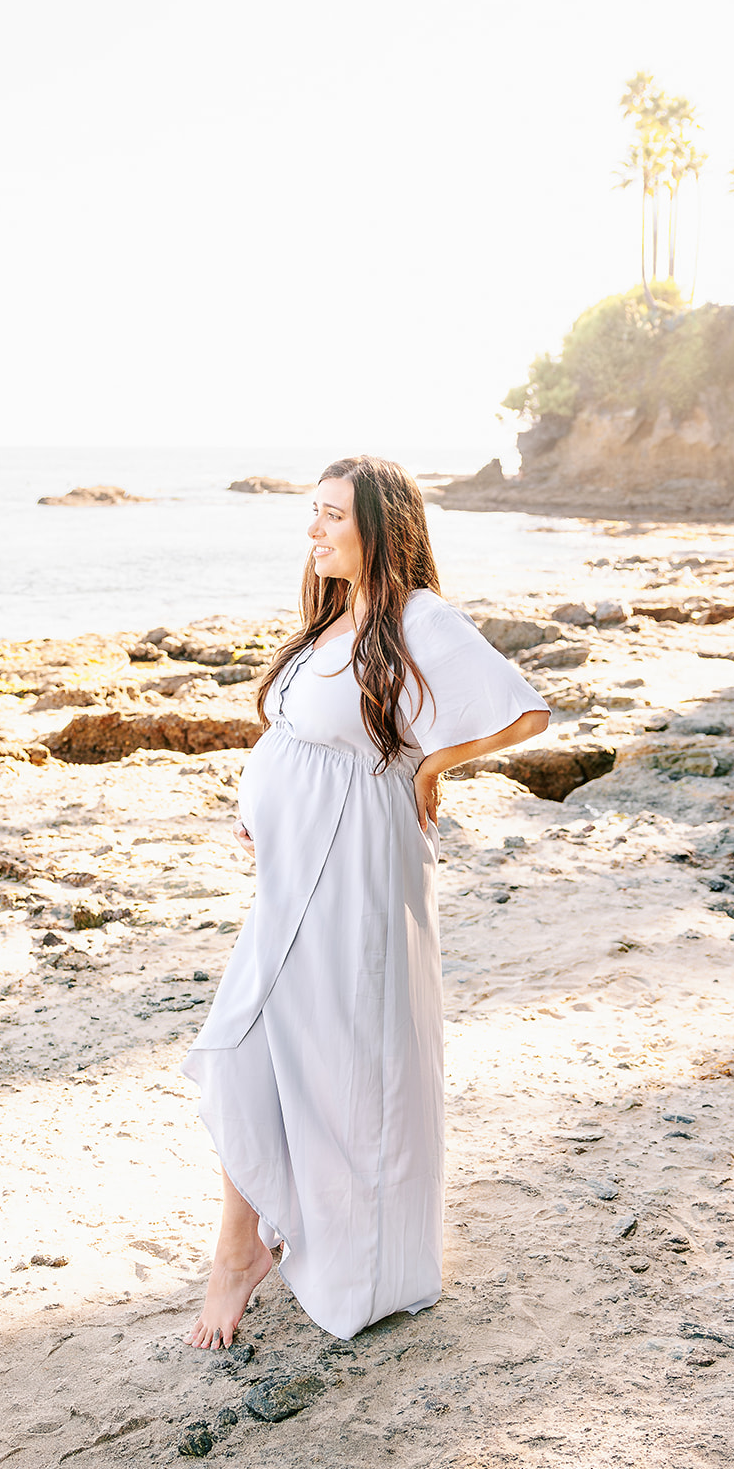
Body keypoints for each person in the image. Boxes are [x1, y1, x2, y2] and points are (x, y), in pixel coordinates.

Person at [182, 455, 549, 1348]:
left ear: (379, 527)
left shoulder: (421, 618)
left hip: (356, 870)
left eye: (330, 515)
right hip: (297, 871)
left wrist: (429, 764)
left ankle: (249, 1250)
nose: (312, 529)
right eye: (310, 513)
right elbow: (303, 744)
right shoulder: (331, 621)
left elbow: (523, 712)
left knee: (321, 1051)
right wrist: (266, 815)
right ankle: (252, 1239)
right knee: (268, 1043)